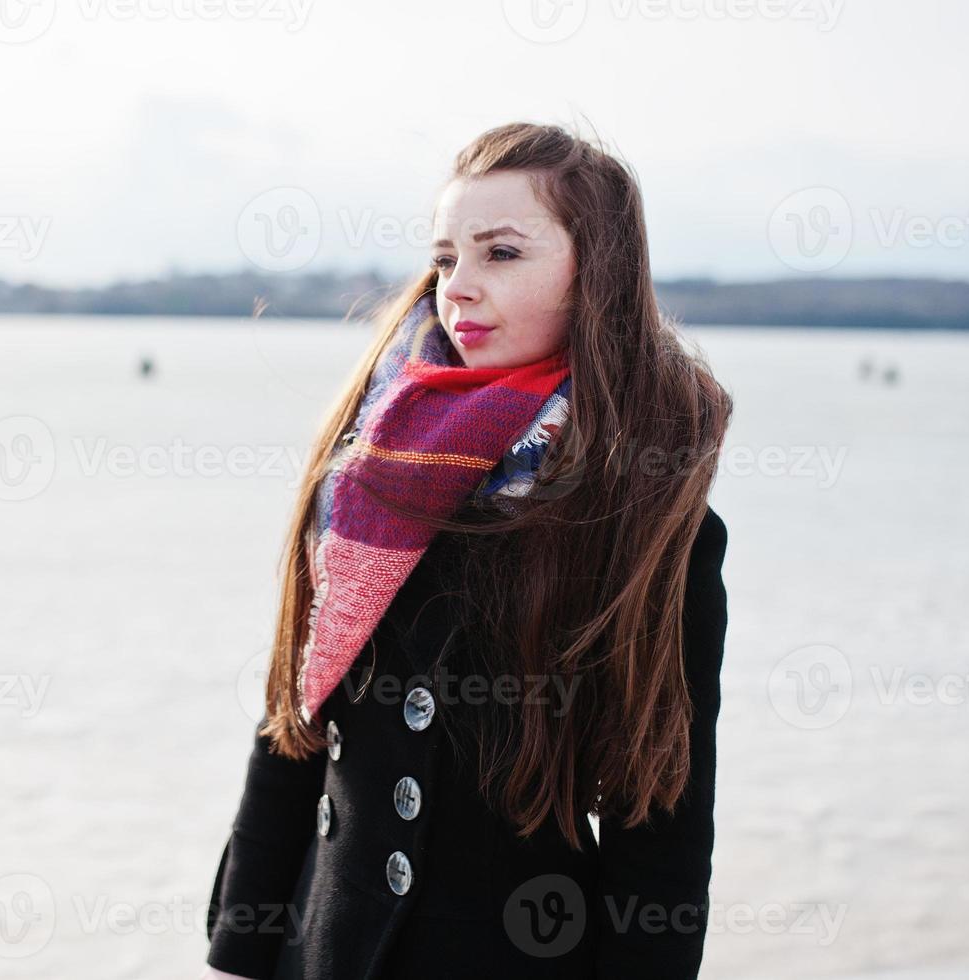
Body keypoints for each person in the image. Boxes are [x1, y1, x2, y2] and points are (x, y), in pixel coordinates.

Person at [201, 120, 732, 980]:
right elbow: (292, 723)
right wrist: (236, 949)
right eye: (446, 258)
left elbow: (659, 818)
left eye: (502, 254)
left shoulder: (646, 516)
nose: (460, 289)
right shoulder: (367, 471)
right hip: (320, 949)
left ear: (595, 273)